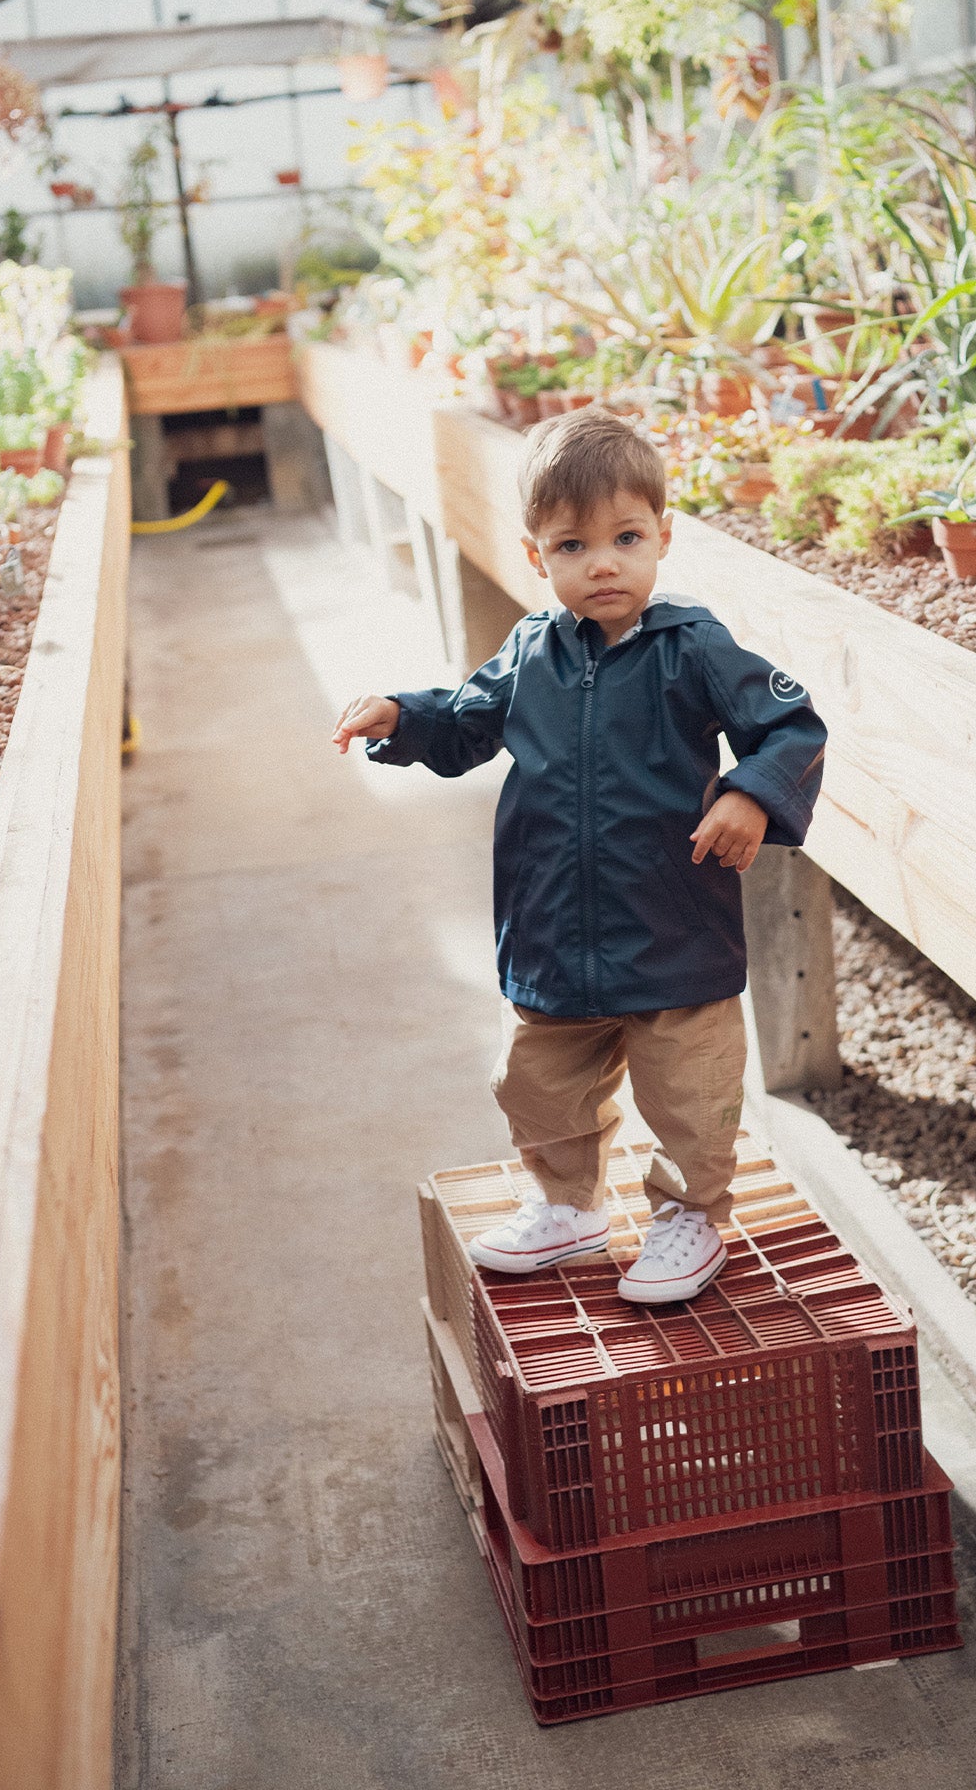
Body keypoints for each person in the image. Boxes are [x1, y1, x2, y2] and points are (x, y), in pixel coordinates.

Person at [332, 408, 826, 1304]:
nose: (603, 563)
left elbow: (789, 725)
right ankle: (569, 1203)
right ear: (536, 557)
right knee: (537, 1081)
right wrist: (404, 717)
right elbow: (465, 721)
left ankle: (690, 1214)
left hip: (672, 923)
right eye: (572, 545)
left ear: (662, 538)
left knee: (689, 1086)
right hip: (555, 923)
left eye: (626, 538)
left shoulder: (693, 648)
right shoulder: (532, 650)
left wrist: (753, 791)